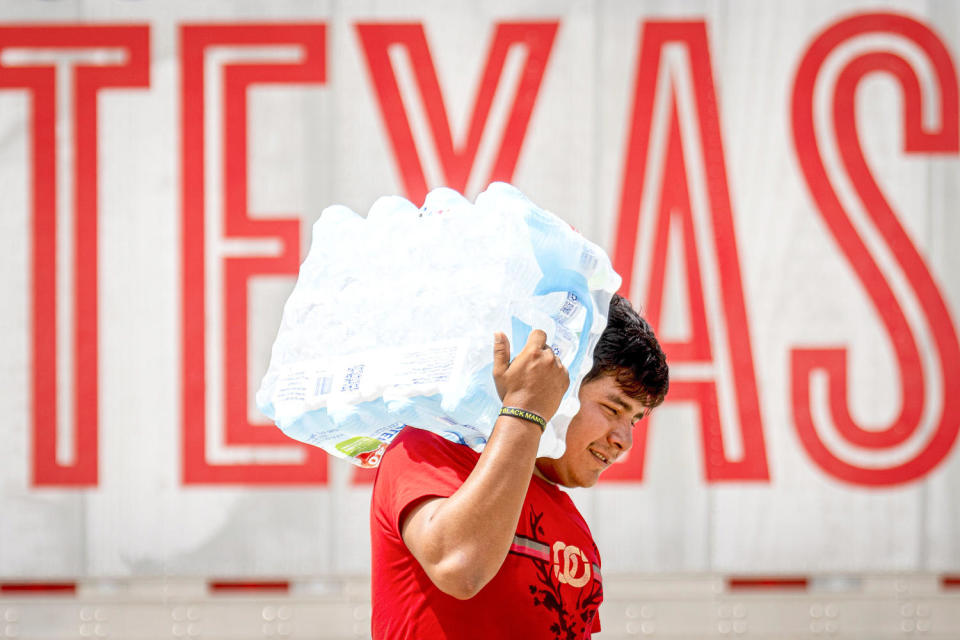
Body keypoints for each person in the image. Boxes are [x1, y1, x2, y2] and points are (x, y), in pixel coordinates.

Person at [370, 294, 669, 639]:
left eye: (633, 421)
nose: (624, 440)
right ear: (562, 386)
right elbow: (459, 566)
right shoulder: (425, 449)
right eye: (613, 409)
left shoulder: (577, 532)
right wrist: (526, 408)